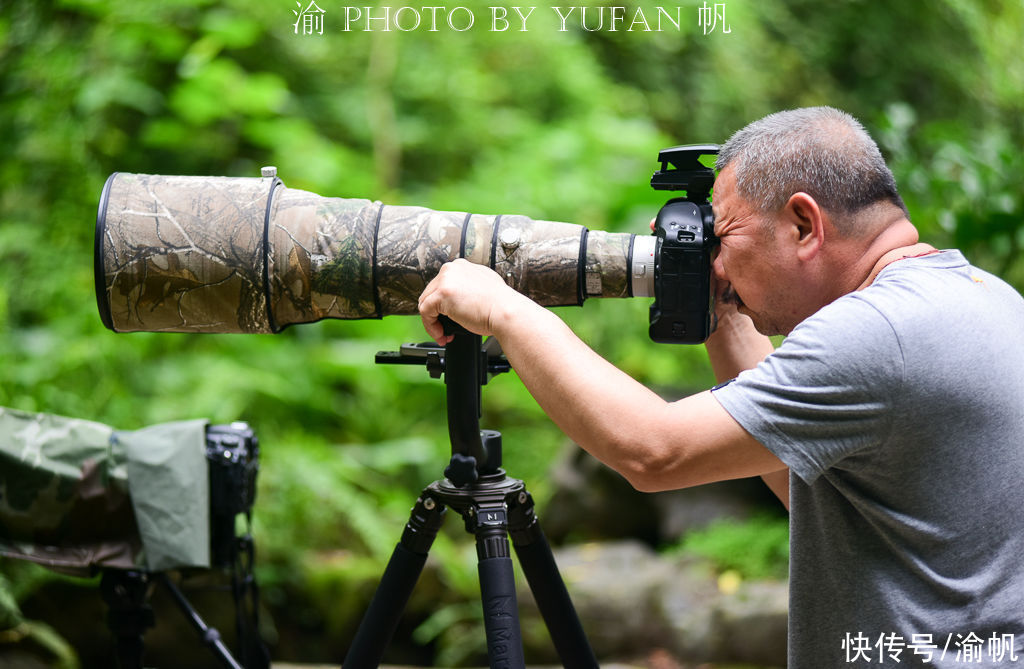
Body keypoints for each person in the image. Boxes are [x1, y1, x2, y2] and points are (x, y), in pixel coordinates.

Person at [417, 107, 1024, 667]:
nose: (718, 265)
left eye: (726, 239)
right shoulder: (982, 297)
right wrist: (722, 309)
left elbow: (654, 451)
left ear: (804, 223)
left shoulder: (877, 334)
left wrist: (503, 308)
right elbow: (828, 499)